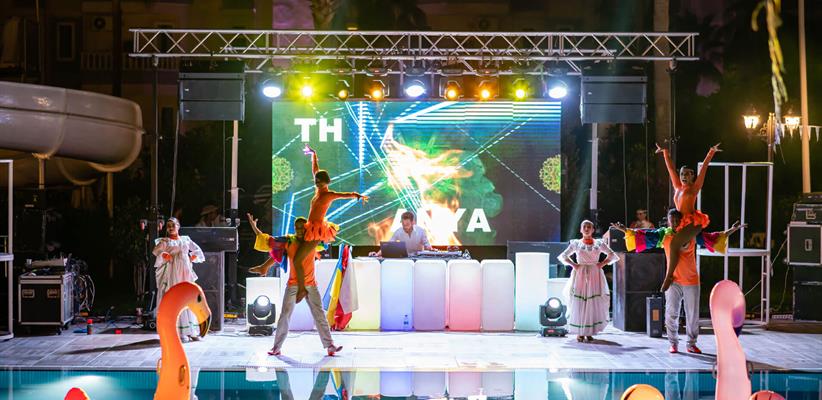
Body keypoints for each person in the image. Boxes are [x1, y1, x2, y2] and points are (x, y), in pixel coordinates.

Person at [612, 209, 744, 354]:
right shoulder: (664, 234)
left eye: (677, 220)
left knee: (692, 315)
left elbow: (712, 238)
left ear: (682, 220)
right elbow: (642, 235)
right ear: (668, 221)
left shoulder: (691, 234)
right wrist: (624, 229)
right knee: (671, 313)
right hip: (673, 280)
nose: (675, 223)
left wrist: (732, 230)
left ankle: (691, 344)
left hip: (691, 281)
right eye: (672, 220)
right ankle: (673, 343)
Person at [246, 213, 343, 357]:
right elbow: (270, 243)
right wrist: (255, 229)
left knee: (319, 314)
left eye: (302, 227)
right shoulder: (289, 241)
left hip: (311, 284)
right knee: (285, 315)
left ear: (307, 228)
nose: (299, 230)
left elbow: (327, 234)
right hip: (293, 284)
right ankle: (276, 347)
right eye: (297, 228)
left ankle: (330, 345)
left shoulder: (312, 241)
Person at [656, 142, 721, 292]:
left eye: (687, 174)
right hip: (679, 222)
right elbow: (670, 169)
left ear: (692, 176)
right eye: (682, 174)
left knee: (674, 244)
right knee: (672, 245)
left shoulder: (694, 188)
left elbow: (704, 169)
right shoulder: (678, 187)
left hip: (693, 222)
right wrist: (665, 153)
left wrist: (711, 152)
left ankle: (668, 277)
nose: (684, 176)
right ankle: (677, 277)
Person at [557, 220, 619, 343]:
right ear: (581, 230)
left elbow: (611, 255)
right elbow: (564, 256)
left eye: (589, 227)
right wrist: (574, 265)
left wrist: (601, 264)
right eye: (584, 227)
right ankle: (580, 332)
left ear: (593, 230)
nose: (586, 229)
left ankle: (589, 331)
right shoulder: (576, 243)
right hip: (580, 274)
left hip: (595, 273)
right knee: (580, 301)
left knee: (592, 301)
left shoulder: (599, 243)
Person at [152, 217, 205, 343]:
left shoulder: (185, 239)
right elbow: (156, 252)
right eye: (168, 226)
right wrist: (163, 255)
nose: (171, 228)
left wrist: (191, 257)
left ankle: (191, 330)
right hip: (172, 273)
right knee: (176, 299)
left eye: (173, 225)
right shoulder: (165, 241)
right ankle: (178, 332)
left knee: (188, 298)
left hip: (185, 272)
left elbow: (197, 250)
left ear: (178, 226)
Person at [369, 211, 433, 257]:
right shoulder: (398, 232)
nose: (405, 227)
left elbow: (427, 245)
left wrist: (430, 248)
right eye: (403, 224)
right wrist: (377, 254)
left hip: (419, 258)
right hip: (405, 259)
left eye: (407, 224)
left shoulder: (421, 231)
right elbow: (388, 246)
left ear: (413, 222)